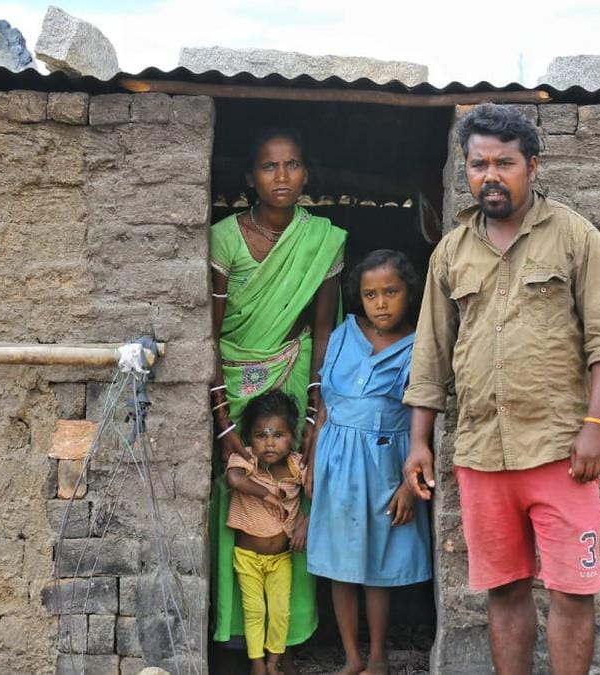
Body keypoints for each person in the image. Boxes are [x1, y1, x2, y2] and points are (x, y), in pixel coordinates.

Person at [402, 104, 600, 675]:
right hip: (482, 453)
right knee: (503, 590)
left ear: (532, 166)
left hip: (560, 453)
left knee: (572, 590)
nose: (490, 176)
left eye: (504, 163)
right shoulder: (451, 252)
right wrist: (419, 442)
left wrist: (595, 426)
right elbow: (430, 356)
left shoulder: (575, 237)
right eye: (478, 164)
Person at [208, 128, 347, 665]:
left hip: (294, 373)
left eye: (292, 164)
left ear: (306, 173)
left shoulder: (324, 240)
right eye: (269, 166)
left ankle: (285, 640)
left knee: (295, 488)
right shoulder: (224, 238)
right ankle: (237, 633)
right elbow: (209, 336)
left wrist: (314, 410)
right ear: (251, 177)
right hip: (233, 384)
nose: (282, 176)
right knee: (233, 493)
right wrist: (225, 424)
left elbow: (324, 331)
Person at [306, 250, 433, 675]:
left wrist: (408, 487)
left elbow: (423, 419)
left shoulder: (420, 345)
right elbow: (325, 403)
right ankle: (351, 656)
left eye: (391, 292)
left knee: (378, 563)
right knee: (341, 564)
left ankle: (377, 656)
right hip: (336, 463)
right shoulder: (344, 334)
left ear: (409, 293)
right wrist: (313, 461)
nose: (380, 303)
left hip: (386, 465)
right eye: (370, 294)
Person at [227, 390, 310, 675]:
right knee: (254, 611)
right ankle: (257, 663)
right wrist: (266, 494)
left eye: (279, 435)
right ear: (250, 438)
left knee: (280, 611)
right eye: (261, 435)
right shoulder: (246, 459)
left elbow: (322, 491)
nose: (270, 442)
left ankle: (274, 662)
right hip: (247, 557)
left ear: (292, 437)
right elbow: (234, 479)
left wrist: (305, 523)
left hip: (281, 559)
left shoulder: (297, 465)